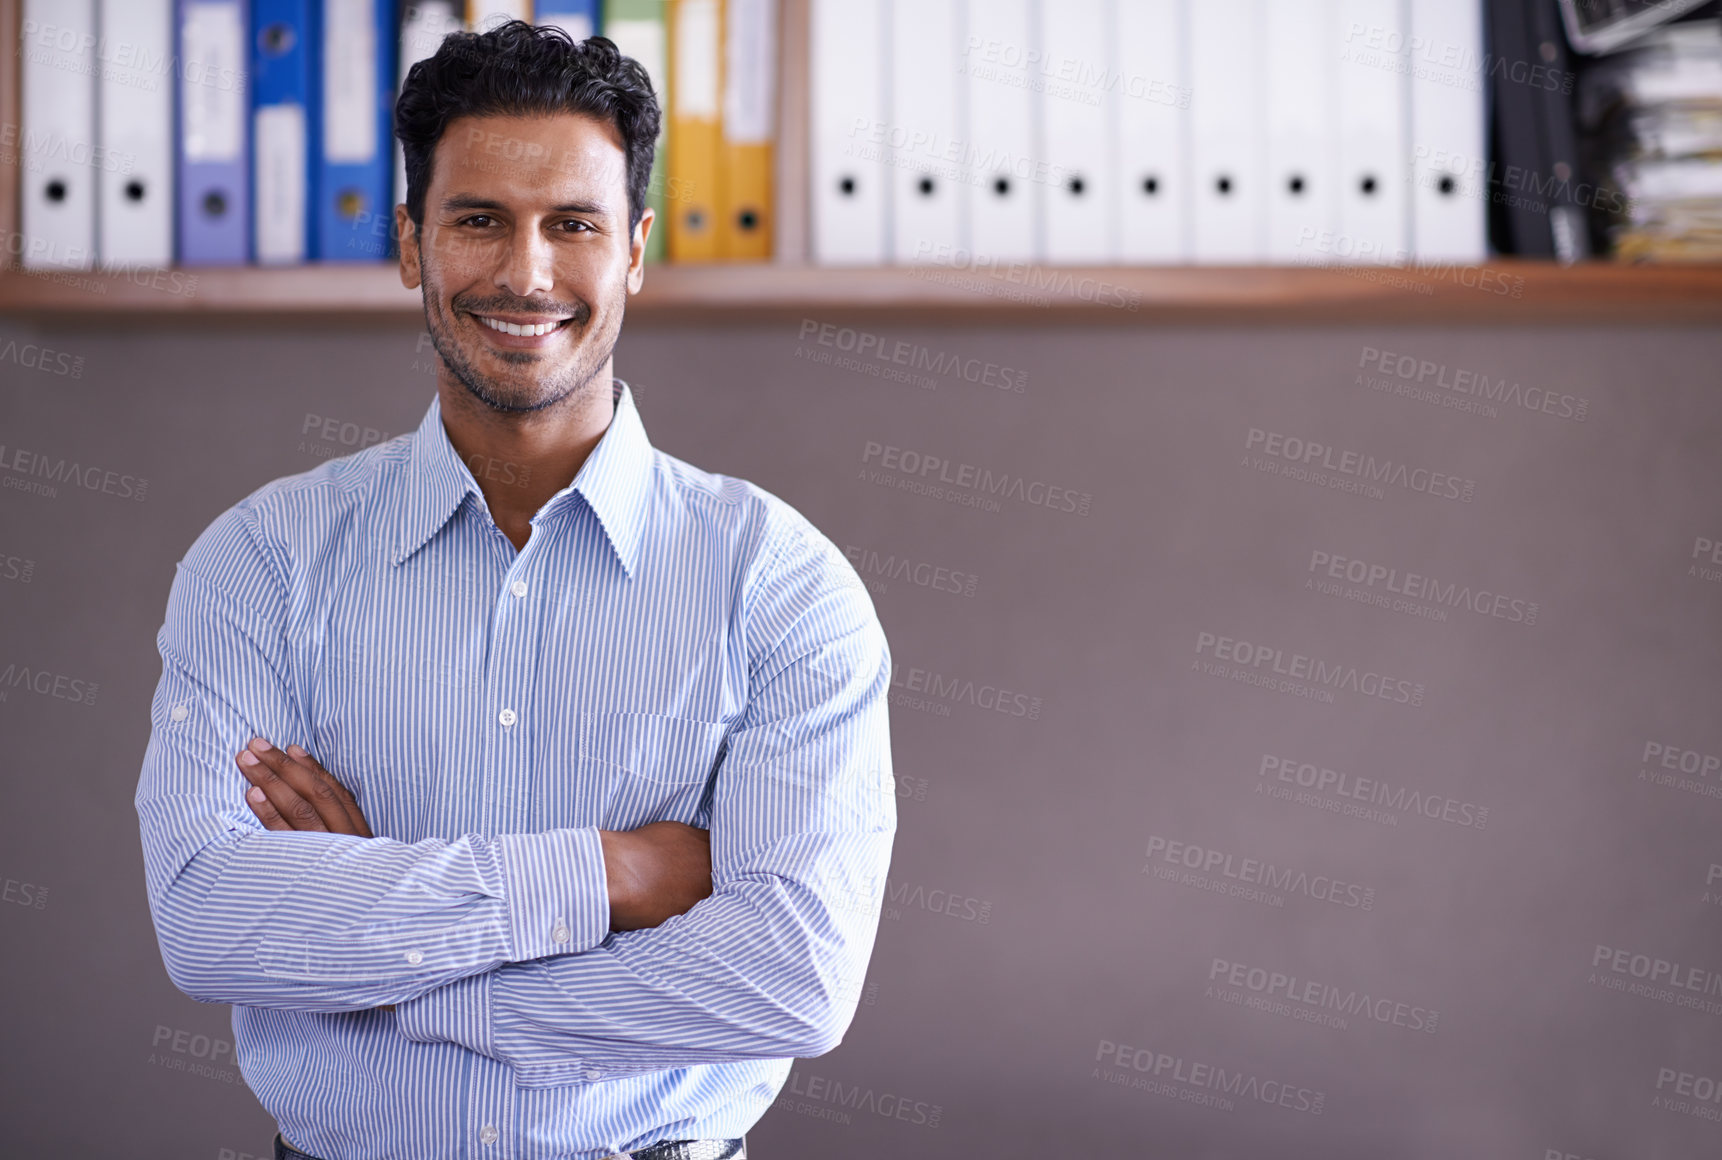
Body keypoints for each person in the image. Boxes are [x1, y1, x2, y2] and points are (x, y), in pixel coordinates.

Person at [134, 21, 895, 1160]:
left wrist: (392, 969)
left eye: (572, 224)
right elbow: (209, 917)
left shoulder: (779, 584)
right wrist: (613, 871)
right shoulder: (262, 561)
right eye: (478, 218)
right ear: (410, 241)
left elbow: (793, 976)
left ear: (635, 247)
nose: (525, 273)